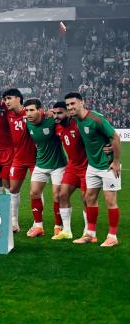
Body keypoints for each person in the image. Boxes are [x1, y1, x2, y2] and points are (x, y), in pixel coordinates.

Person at [66, 92, 122, 247]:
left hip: (108, 166)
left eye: (73, 104)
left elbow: (116, 138)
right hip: (92, 166)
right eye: (68, 105)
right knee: (89, 198)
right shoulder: (76, 119)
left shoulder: (96, 119)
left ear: (82, 103)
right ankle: (90, 234)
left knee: (110, 200)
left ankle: (112, 236)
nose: (70, 107)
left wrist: (116, 162)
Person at [24, 99, 66, 238]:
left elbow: (65, 116)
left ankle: (58, 227)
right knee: (34, 193)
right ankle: (38, 226)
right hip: (41, 164)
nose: (28, 113)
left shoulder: (51, 120)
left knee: (57, 195)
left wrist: (52, 112)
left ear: (39, 110)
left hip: (58, 165)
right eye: (27, 110)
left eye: (32, 110)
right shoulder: (27, 123)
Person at [52, 101, 88, 241]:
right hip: (72, 166)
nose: (56, 116)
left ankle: (87, 231)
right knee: (62, 195)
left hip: (87, 167)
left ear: (68, 112)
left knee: (86, 199)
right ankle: (66, 231)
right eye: (54, 113)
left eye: (60, 113)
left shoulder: (79, 124)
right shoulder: (57, 127)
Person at [3, 88, 37, 233]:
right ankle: (14, 223)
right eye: (5, 99)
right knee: (12, 189)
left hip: (36, 159)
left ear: (18, 98)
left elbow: (43, 116)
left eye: (9, 98)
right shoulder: (8, 115)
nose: (6, 102)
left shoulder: (29, 113)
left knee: (36, 191)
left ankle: (38, 223)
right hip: (18, 158)